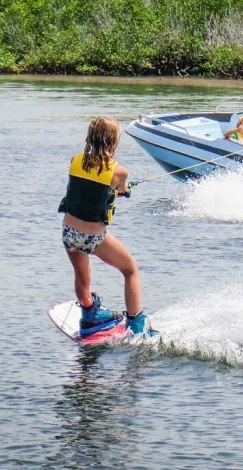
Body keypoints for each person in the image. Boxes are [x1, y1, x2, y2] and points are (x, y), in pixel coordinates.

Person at [58, 116, 155, 337]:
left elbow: (88, 191)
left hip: (69, 233)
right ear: (113, 141)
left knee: (83, 276)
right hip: (93, 237)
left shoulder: (75, 160)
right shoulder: (118, 171)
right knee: (130, 269)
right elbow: (118, 189)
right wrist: (123, 190)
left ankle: (89, 315)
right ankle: (136, 325)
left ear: (90, 137)